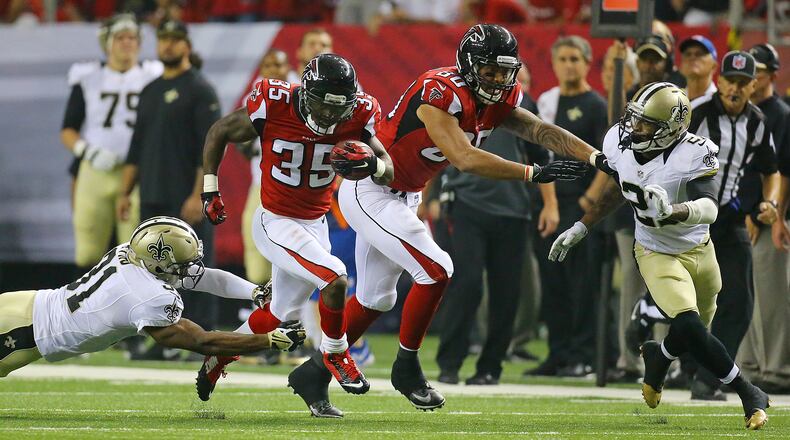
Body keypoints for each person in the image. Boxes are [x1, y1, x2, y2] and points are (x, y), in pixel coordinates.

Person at [292, 24, 608, 417]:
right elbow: (464, 157)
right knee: (437, 269)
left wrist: (596, 157)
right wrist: (531, 174)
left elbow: (539, 129)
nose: (496, 79)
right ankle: (407, 367)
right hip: (372, 188)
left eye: (503, 71)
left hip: (405, 195)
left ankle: (313, 373)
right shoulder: (438, 90)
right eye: (489, 70)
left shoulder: (498, 96)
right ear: (468, 64)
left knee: (378, 298)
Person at [549, 82, 770, 430]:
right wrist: (584, 225)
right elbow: (619, 186)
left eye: (645, 124)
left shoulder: (695, 151)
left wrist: (673, 210)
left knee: (694, 335)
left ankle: (659, 356)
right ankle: (747, 391)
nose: (634, 129)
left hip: (700, 248)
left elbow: (710, 206)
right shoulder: (618, 142)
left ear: (671, 127)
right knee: (689, 324)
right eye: (633, 119)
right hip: (655, 250)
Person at [196, 53, 395, 417]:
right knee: (334, 279)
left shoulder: (361, 114)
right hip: (275, 220)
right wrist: (211, 188)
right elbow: (219, 130)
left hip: (315, 224)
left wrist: (373, 164)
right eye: (322, 105)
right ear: (306, 93)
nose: (330, 117)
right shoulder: (275, 103)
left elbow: (389, 171)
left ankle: (220, 353)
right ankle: (335, 352)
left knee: (277, 316)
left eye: (339, 108)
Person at [0, 216, 306, 378]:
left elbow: (203, 277)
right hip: (26, 333)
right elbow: (203, 342)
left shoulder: (130, 253)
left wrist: (252, 292)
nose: (189, 271)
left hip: (25, 304)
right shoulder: (147, 297)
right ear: (158, 262)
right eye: (181, 265)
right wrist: (268, 341)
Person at [435, 65, 555, 385]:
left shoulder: (522, 103)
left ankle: (490, 367)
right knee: (467, 284)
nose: (500, 79)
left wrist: (551, 204)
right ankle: (450, 362)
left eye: (506, 73)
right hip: (467, 204)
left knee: (506, 293)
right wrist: (429, 195)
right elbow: (436, 145)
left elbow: (539, 156)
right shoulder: (458, 98)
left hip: (514, 209)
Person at [117, 20, 222, 349]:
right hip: (152, 194)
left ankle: (205, 337)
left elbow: (209, 150)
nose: (168, 46)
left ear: (187, 46)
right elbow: (136, 148)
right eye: (163, 39)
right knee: (150, 269)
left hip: (184, 196)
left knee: (194, 267)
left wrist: (198, 194)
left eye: (175, 40)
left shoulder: (200, 89)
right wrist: (124, 191)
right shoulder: (150, 91)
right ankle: (162, 340)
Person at [684, 51, 781, 400]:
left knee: (739, 302)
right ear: (719, 80)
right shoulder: (694, 113)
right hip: (687, 216)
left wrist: (769, 202)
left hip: (728, 217)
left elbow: (771, 170)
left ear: (753, 86)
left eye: (743, 82)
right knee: (683, 300)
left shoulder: (757, 122)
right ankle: (671, 354)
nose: (735, 88)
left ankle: (707, 379)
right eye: (730, 81)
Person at [530, 35, 609, 377]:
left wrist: (589, 199)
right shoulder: (549, 102)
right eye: (563, 59)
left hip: (579, 205)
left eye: (575, 59)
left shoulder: (596, 105)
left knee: (582, 283)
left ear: (587, 63)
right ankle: (558, 353)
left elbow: (609, 160)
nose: (569, 65)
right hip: (550, 203)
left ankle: (583, 354)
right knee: (553, 282)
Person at [61, 14, 162, 274]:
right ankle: (89, 304)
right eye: (120, 37)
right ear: (107, 43)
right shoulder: (88, 76)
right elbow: (68, 129)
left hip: (138, 169)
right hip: (96, 167)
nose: (127, 43)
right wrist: (88, 151)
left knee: (135, 250)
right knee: (88, 251)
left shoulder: (152, 75)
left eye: (132, 38)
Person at [735, 43, 790, 394]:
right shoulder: (742, 112)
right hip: (744, 213)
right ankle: (752, 364)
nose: (752, 78)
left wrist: (775, 215)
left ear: (772, 74)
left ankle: (779, 369)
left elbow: (782, 170)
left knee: (772, 296)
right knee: (746, 294)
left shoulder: (779, 113)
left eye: (758, 71)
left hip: (770, 215)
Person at [679, 35, 718, 104]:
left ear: (714, 66)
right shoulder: (675, 100)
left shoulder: (720, 103)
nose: (692, 57)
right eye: (688, 54)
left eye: (699, 54)